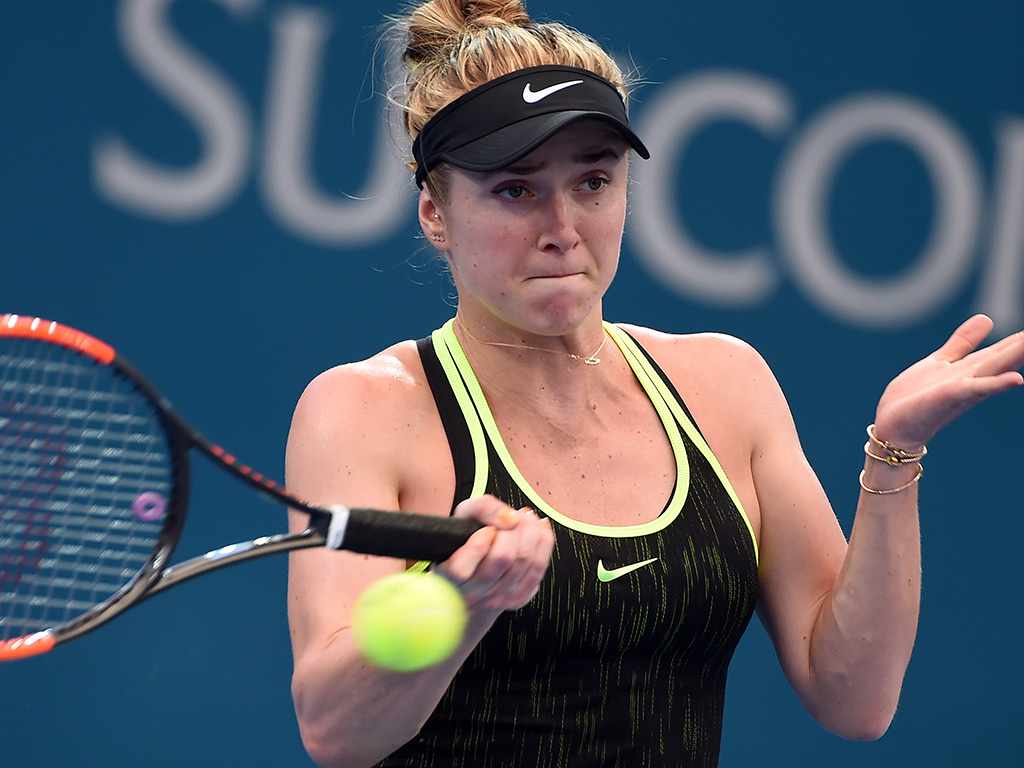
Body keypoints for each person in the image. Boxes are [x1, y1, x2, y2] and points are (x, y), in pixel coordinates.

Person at [284, 2, 1024, 766]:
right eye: (515, 190)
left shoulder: (727, 383)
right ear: (436, 213)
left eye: (594, 182)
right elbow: (336, 732)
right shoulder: (365, 410)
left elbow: (854, 698)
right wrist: (459, 604)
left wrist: (894, 454)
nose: (563, 225)